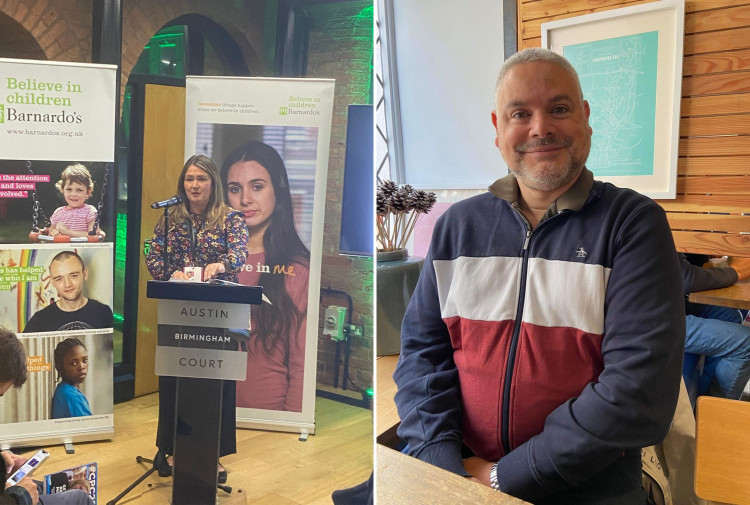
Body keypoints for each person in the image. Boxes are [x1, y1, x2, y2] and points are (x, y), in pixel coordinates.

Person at [393, 48, 685, 504]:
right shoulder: (458, 227)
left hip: (590, 486)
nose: (540, 127)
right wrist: (441, 462)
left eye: (559, 109)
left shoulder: (632, 224)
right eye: (520, 113)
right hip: (460, 474)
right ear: (497, 129)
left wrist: (505, 477)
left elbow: (636, 393)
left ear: (585, 118)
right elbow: (422, 355)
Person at [146, 154, 249, 483]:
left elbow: (239, 253)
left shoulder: (230, 218)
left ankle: (213, 455)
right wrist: (169, 270)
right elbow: (154, 256)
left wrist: (221, 265)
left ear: (213, 183)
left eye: (201, 179)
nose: (194, 185)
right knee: (176, 379)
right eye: (189, 178)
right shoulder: (170, 217)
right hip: (178, 311)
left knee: (215, 383)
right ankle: (174, 448)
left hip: (217, 314)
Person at [220, 141, 310, 412]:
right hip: (210, 408)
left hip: (268, 414)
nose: (245, 199)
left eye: (257, 187)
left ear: (277, 193)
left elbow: (301, 362)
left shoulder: (298, 269)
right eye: (235, 189)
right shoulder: (211, 262)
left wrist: (293, 423)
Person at [0, 328, 92, 505]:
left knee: (52, 486)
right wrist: (20, 497)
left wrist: (2, 462)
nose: (81, 366)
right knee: (80, 497)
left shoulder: (65, 392)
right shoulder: (70, 395)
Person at [680, 253, 750, 399]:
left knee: (729, 316)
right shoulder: (651, 230)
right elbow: (683, 277)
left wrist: (707, 251)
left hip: (666, 303)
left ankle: (704, 399)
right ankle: (713, 416)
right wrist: (736, 271)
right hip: (642, 320)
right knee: (747, 343)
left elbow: (682, 263)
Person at [23, 251, 113, 333]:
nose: (67, 284)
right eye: (59, 279)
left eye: (73, 276)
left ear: (85, 274)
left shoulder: (103, 312)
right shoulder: (39, 321)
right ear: (52, 282)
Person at [48, 164, 101, 238]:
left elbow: (93, 235)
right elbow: (50, 235)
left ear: (88, 192)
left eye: (79, 190)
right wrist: (55, 233)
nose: (73, 194)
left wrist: (68, 232)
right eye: (69, 189)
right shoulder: (58, 212)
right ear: (63, 190)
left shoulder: (90, 211)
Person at [50, 338, 91, 419]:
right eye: (74, 363)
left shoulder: (62, 389)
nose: (82, 367)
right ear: (59, 367)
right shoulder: (73, 397)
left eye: (84, 360)